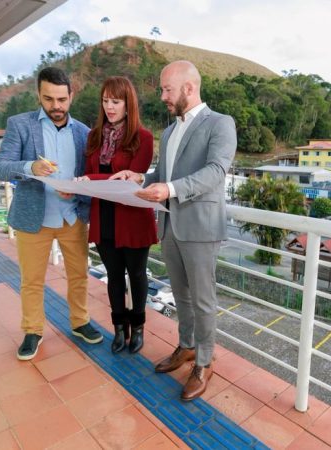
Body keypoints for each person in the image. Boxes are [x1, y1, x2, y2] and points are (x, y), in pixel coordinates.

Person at [111, 60, 236, 401]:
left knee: (203, 300)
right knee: (181, 295)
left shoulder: (220, 123)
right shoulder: (169, 132)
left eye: (167, 89)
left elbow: (216, 171)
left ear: (188, 88)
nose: (163, 96)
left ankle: (204, 363)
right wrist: (139, 177)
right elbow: (162, 175)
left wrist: (169, 190)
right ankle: (187, 346)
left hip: (201, 227)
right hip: (169, 225)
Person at [0, 67, 102, 361]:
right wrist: (30, 167)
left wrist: (76, 191)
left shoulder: (84, 133)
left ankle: (80, 322)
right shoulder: (20, 124)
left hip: (72, 217)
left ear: (71, 96)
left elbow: (89, 176)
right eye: (49, 99)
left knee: (78, 275)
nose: (56, 106)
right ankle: (32, 330)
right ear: (39, 95)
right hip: (34, 219)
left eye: (62, 99)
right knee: (31, 280)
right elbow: (0, 167)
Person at [79, 76, 157, 354]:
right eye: (105, 101)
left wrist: (90, 179)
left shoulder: (143, 138)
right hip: (104, 216)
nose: (109, 107)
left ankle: (138, 328)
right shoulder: (94, 136)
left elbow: (130, 179)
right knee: (113, 275)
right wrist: (86, 180)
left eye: (116, 101)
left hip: (132, 217)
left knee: (136, 274)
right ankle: (119, 329)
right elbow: (90, 174)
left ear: (128, 104)